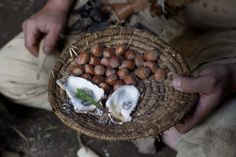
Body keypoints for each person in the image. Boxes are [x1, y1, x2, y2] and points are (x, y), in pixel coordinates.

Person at [0, 0, 236, 156]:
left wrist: (231, 74)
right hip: (122, 10)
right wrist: (57, 6)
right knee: (6, 73)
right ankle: (135, 120)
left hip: (216, 34)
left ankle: (152, 123)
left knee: (217, 146)